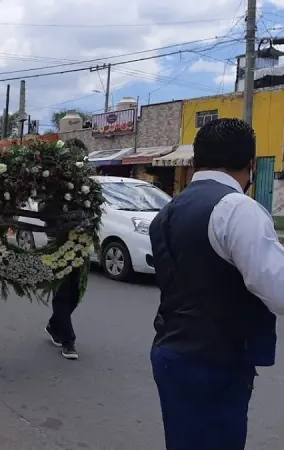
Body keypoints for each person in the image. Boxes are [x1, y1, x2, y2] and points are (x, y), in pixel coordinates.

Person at [148, 118, 284, 450]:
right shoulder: (238, 209)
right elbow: (278, 290)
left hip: (172, 352)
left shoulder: (167, 212)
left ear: (195, 161)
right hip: (216, 363)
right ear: (250, 165)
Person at [45, 267, 82, 360]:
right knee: (62, 295)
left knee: (74, 296)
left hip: (79, 256)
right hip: (58, 258)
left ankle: (54, 325)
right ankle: (68, 341)